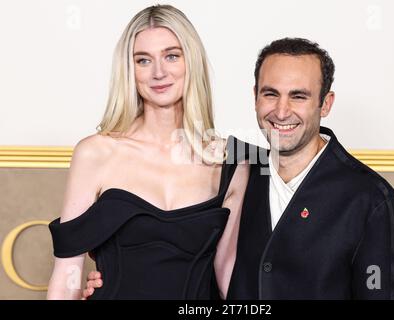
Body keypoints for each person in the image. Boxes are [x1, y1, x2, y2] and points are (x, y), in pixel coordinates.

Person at [83, 37, 394, 300]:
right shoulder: (234, 166)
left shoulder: (369, 198)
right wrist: (114, 281)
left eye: (298, 97)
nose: (282, 111)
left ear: (326, 103)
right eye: (270, 94)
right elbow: (185, 254)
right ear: (255, 97)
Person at [47, 4, 249, 300]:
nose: (158, 72)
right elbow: (67, 276)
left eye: (171, 56)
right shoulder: (95, 153)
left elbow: (229, 277)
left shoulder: (233, 162)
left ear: (191, 61)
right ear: (129, 70)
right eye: (143, 60)